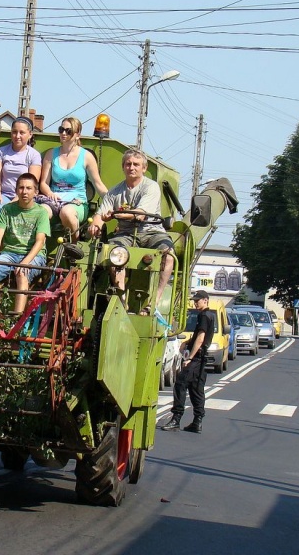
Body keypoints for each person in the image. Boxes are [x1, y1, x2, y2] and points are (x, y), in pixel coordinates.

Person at [85, 148, 175, 312]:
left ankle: (154, 301)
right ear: (123, 167)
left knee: (168, 255)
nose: (131, 167)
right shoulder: (114, 192)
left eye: (136, 164)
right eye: (128, 164)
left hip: (152, 232)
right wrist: (95, 225)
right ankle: (122, 300)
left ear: (144, 168)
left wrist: (115, 214)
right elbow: (100, 214)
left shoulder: (151, 187)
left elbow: (140, 214)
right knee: (112, 253)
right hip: (125, 234)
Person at [0, 173, 50, 314]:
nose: (24, 192)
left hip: (33, 256)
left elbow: (39, 242)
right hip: (9, 254)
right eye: (21, 188)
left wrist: (24, 263)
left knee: (22, 274)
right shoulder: (7, 210)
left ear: (36, 192)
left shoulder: (41, 212)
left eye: (29, 188)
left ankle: (16, 320)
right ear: (16, 190)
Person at [37, 117, 108, 239]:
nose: (63, 133)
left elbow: (98, 184)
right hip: (54, 201)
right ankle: (39, 247)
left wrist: (111, 202)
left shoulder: (86, 156)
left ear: (77, 135)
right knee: (40, 211)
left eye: (68, 131)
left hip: (77, 203)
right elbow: (43, 183)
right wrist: (49, 193)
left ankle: (73, 245)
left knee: (67, 212)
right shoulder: (51, 154)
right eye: (61, 129)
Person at [161, 290, 215, 433]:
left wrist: (190, 357)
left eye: (198, 300)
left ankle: (176, 419)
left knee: (180, 384)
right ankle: (197, 421)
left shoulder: (204, 316)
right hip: (201, 359)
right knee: (196, 389)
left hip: (196, 358)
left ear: (205, 300)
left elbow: (201, 338)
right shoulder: (210, 315)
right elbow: (199, 336)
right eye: (194, 300)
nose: (195, 303)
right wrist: (187, 342)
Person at [0, 117, 42, 232]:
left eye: (22, 132)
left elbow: (33, 182)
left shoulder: (34, 155)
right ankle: (0, 241)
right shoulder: (2, 151)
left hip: (24, 197)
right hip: (4, 195)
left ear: (30, 134)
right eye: (14, 132)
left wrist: (17, 199)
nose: (17, 136)